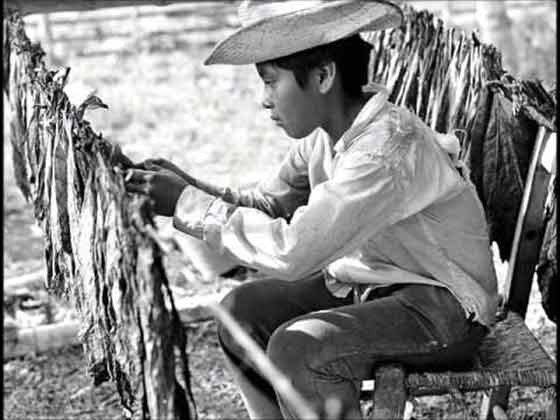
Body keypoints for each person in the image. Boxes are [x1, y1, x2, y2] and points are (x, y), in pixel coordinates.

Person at [124, 1, 499, 419]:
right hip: (375, 286)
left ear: (323, 76)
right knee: (240, 314)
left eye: (271, 82)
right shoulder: (327, 137)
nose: (265, 101)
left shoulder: (385, 150)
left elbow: (295, 252)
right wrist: (189, 188)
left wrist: (188, 204)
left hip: (443, 312)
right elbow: (269, 204)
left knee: (299, 347)